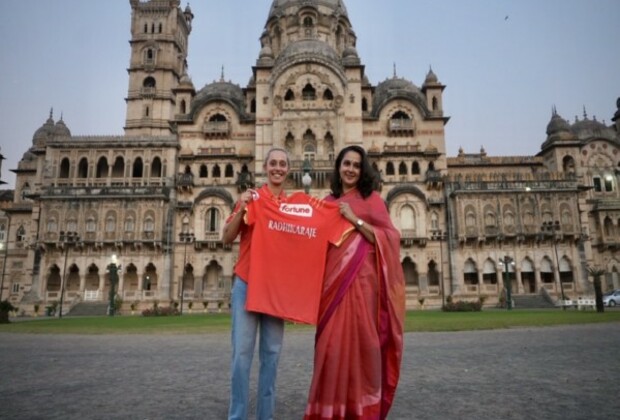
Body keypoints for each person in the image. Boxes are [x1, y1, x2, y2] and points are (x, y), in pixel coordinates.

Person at [304, 145, 406, 420]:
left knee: (364, 347)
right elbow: (311, 241)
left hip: (363, 287)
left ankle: (361, 411)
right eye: (346, 164)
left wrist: (355, 219)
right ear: (338, 167)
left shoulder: (372, 200)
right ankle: (328, 411)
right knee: (331, 347)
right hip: (332, 288)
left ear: (363, 171)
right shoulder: (328, 202)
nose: (350, 169)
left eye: (356, 165)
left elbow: (389, 238)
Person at [222, 147, 290, 420]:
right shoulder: (252, 199)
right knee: (241, 356)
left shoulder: (291, 207)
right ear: (265, 167)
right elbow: (226, 237)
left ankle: (266, 417)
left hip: (274, 289)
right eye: (273, 163)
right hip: (247, 283)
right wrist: (241, 208)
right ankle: (237, 416)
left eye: (282, 164)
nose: (277, 168)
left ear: (288, 169)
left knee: (271, 358)